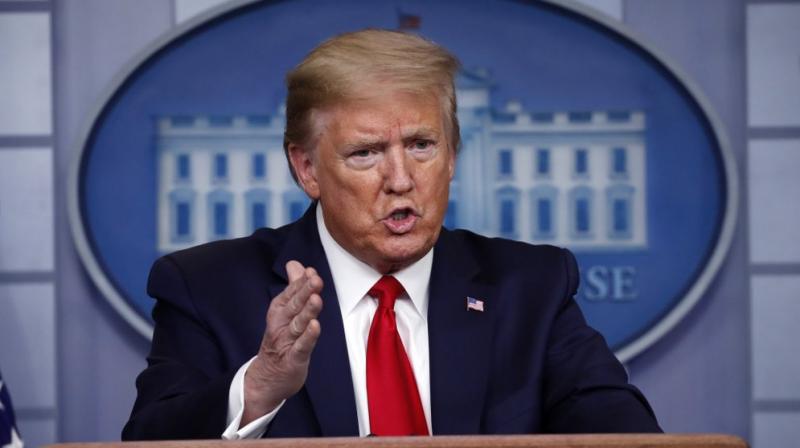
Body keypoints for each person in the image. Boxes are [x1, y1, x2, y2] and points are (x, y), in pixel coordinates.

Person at [122, 29, 661, 440]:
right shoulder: (208, 287)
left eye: (422, 145)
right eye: (366, 153)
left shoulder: (531, 286)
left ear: (452, 155)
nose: (401, 180)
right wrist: (259, 386)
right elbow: (145, 445)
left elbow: (626, 437)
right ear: (307, 168)